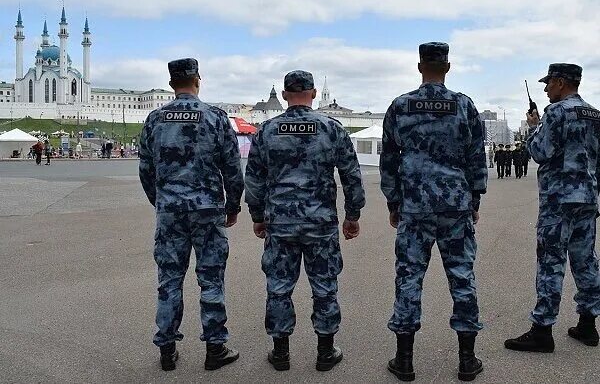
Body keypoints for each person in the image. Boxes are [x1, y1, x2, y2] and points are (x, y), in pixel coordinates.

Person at [244, 70, 365, 372]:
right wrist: (352, 215)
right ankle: (325, 351)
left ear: (284, 95)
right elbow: (351, 175)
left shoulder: (267, 130)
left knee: (279, 286)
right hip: (320, 223)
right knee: (324, 285)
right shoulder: (331, 128)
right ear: (312, 94)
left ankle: (281, 352)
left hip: (280, 222)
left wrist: (257, 216)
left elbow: (254, 179)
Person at [380, 42, 487, 382]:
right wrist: (474, 202)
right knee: (462, 278)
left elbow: (389, 159)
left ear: (419, 66)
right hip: (455, 206)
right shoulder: (463, 105)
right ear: (448, 67)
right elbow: (476, 156)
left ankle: (405, 360)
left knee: (409, 277)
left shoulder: (401, 106)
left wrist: (393, 202)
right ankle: (467, 361)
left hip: (414, 206)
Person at [138, 58, 244, 372]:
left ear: (172, 84)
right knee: (211, 279)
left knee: (169, 279)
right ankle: (215, 348)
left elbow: (145, 169)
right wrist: (233, 205)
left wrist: (162, 202)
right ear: (198, 80)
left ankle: (167, 351)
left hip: (171, 211)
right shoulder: (215, 117)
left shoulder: (156, 119)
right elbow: (231, 169)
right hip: (207, 210)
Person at [505, 63, 600, 353]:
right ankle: (588, 324)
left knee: (550, 261)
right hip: (587, 198)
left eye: (549, 83)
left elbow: (539, 152)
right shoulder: (595, 115)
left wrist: (534, 128)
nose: (546, 89)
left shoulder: (556, 113)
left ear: (560, 82)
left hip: (559, 200)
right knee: (585, 260)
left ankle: (542, 330)